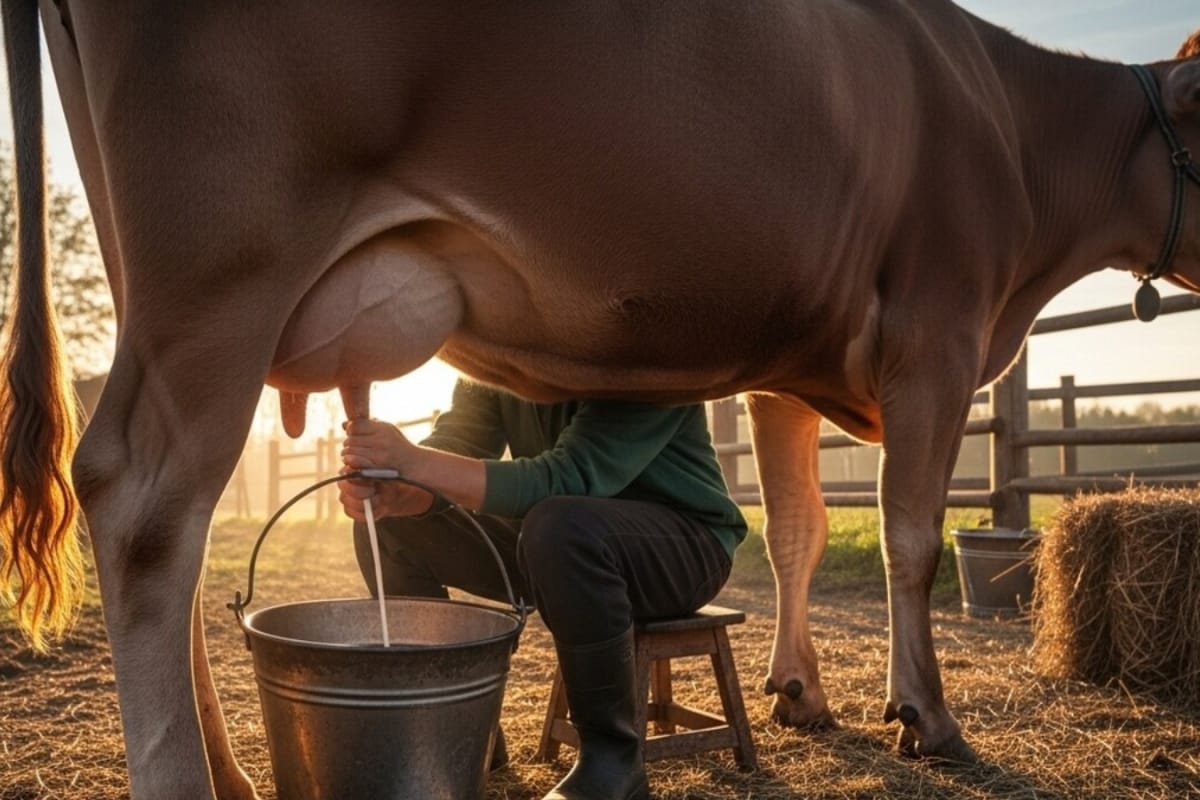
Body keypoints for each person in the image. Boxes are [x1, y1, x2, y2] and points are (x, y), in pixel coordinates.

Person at [338, 377, 746, 800]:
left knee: (561, 526)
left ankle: (612, 762)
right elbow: (461, 439)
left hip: (684, 543)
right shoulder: (500, 351)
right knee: (388, 523)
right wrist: (400, 488)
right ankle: (461, 735)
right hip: (554, 534)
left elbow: (569, 476)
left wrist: (415, 463)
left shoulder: (649, 350)